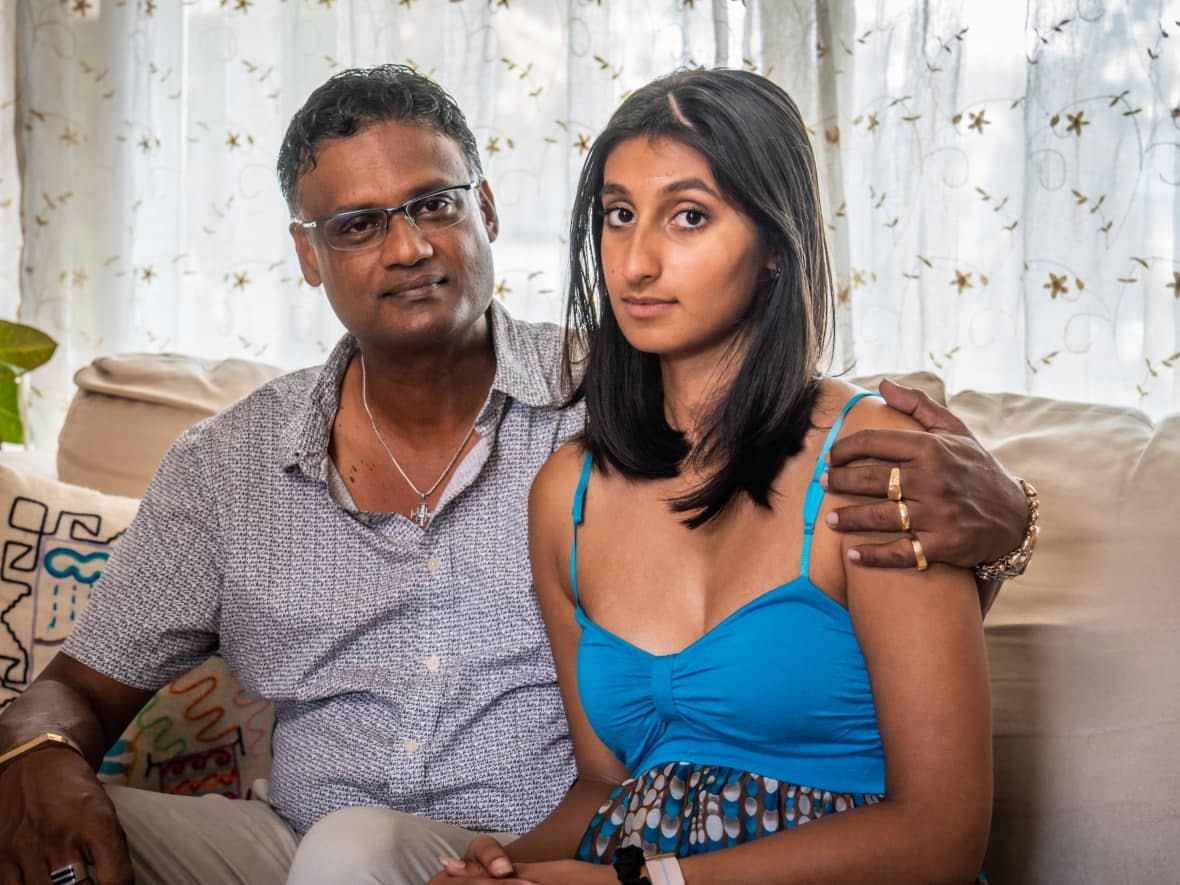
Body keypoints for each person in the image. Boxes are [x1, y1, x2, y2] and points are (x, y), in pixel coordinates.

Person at [0, 65, 1030, 885]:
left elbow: (924, 801)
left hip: (542, 845)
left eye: (433, 203)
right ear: (308, 256)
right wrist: (35, 756)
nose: (406, 247)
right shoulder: (240, 468)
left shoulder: (630, 408)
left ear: (487, 207)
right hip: (335, 840)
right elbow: (73, 693)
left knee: (355, 852)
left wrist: (1013, 517)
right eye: (357, 225)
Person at [429, 68, 993, 885]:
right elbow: (606, 788)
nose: (637, 261)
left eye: (688, 216)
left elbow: (941, 837)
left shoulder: (870, 456)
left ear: (773, 245)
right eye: (618, 216)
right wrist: (504, 866)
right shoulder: (568, 492)